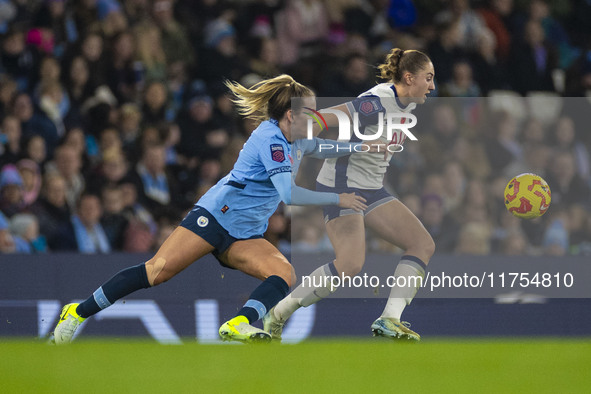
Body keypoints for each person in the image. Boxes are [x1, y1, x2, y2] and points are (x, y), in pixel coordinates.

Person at [51, 74, 373, 345]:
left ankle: (238, 324)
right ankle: (77, 312)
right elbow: (288, 195)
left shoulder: (297, 138)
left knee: (284, 273)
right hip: (216, 218)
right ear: (291, 115)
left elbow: (322, 146)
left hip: (244, 234)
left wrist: (362, 147)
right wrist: (338, 199)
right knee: (156, 272)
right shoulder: (271, 139)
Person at [265, 49, 436, 341]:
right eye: (428, 78)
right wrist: (304, 132)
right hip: (341, 186)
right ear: (409, 78)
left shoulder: (406, 104)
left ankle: (389, 319)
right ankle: (277, 315)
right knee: (350, 263)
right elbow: (332, 116)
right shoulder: (378, 102)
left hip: (373, 187)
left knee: (422, 244)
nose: (432, 86)